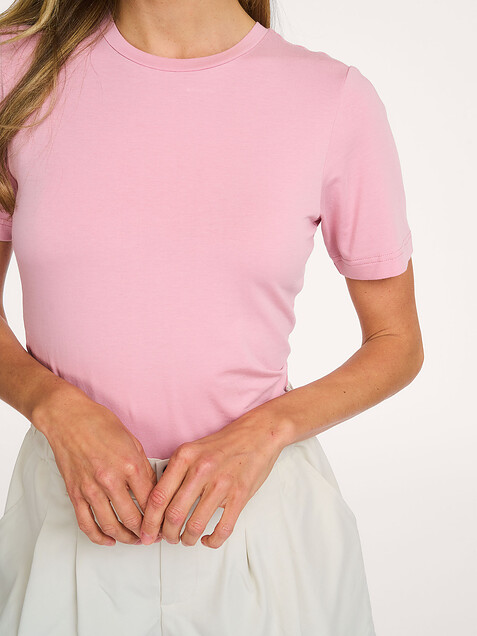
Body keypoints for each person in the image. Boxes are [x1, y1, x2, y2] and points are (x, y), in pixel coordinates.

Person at [0, 0, 423, 634]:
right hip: (68, 516)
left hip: (260, 524)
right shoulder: (18, 72)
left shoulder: (332, 98)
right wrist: (55, 408)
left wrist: (267, 432)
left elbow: (396, 341)